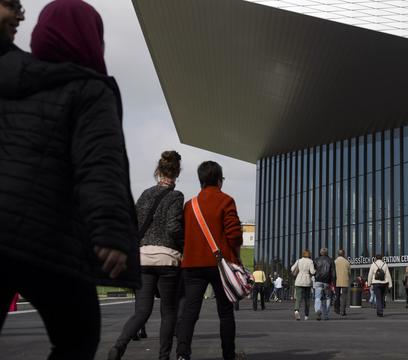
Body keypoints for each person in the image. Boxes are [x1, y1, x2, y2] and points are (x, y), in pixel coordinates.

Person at [0, 1, 140, 359]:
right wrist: (109, 232)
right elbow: (99, 165)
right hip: (45, 237)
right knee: (77, 336)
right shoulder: (90, 89)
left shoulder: (7, 77)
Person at [108, 151, 184, 360]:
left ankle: (119, 346)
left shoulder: (144, 194)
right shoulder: (176, 196)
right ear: (177, 173)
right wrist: (184, 246)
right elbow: (173, 227)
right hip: (167, 258)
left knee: (142, 310)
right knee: (168, 311)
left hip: (142, 257)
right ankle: (163, 356)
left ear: (158, 171)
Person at [176, 161, 244, 360]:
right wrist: (237, 257)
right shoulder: (226, 201)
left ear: (201, 181)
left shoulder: (190, 205)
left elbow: (182, 233)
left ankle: (182, 353)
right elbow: (234, 234)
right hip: (220, 265)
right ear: (218, 180)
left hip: (192, 265)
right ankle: (228, 355)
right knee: (225, 312)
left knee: (190, 311)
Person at [291, 249, 315, 320]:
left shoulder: (299, 260)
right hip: (307, 281)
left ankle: (296, 310)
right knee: (307, 299)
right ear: (309, 254)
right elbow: (312, 271)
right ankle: (306, 315)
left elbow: (292, 269)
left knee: (298, 298)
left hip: (298, 280)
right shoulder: (310, 261)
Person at [313, 248, 336, 320]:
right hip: (327, 282)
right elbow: (333, 273)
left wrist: (315, 277)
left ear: (320, 252)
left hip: (318, 281)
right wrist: (333, 282)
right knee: (327, 298)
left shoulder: (316, 260)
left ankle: (317, 310)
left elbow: (313, 271)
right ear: (327, 253)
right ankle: (326, 315)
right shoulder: (331, 260)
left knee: (317, 297)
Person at [334, 249, 351, 316]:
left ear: (337, 254)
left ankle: (337, 309)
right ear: (344, 254)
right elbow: (349, 272)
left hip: (336, 280)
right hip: (344, 280)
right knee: (344, 296)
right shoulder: (347, 262)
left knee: (337, 295)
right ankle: (342, 311)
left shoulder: (335, 262)